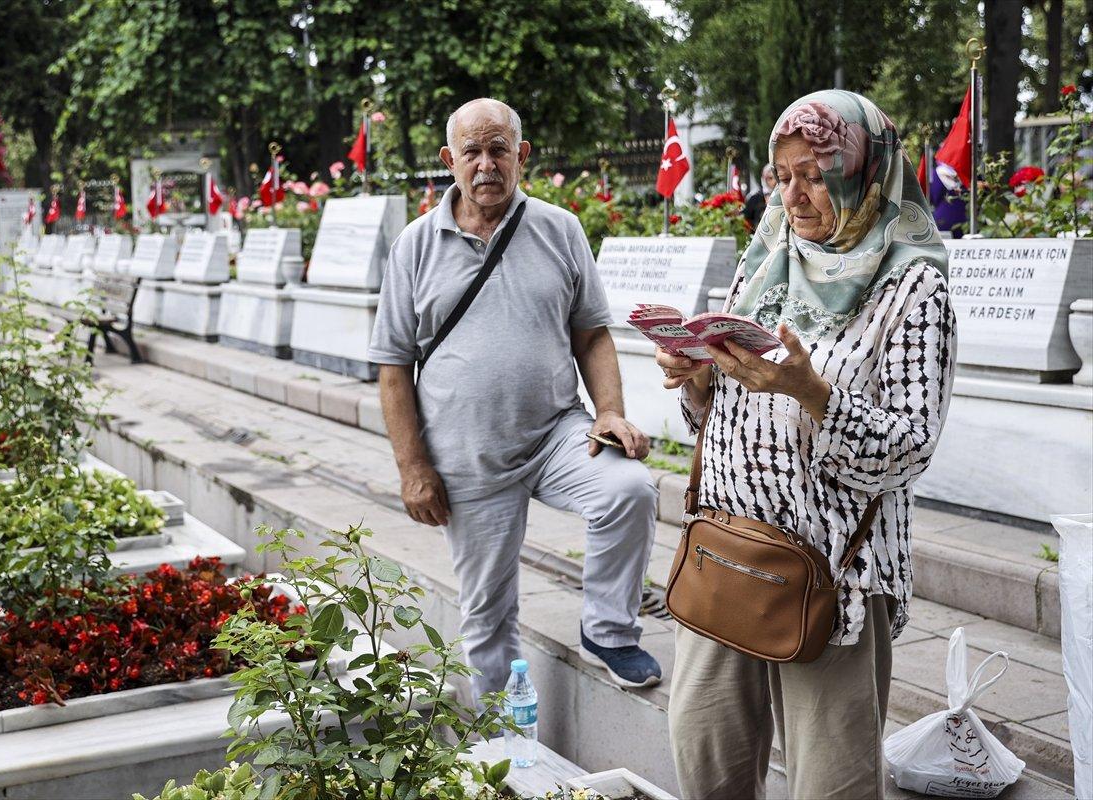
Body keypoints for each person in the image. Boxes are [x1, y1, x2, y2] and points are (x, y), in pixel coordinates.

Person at [659, 90, 956, 799]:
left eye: (817, 174)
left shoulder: (914, 289)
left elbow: (910, 449)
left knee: (831, 785)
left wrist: (811, 393)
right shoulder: (765, 262)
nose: (793, 195)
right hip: (725, 554)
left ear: (867, 172)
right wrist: (696, 382)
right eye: (781, 175)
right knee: (705, 763)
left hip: (835, 581)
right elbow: (716, 420)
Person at [368, 98, 662, 703]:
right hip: (466, 452)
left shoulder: (559, 229)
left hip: (556, 433)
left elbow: (592, 334)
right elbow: (394, 366)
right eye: (471, 152)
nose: (485, 164)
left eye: (498, 149)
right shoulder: (415, 246)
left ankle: (608, 630)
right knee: (487, 615)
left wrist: (609, 411)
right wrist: (412, 467)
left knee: (629, 490)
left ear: (521, 155)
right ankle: (502, 743)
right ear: (449, 160)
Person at [742, 163, 777, 229]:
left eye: (776, 178)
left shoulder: (784, 196)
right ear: (764, 178)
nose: (774, 182)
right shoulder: (755, 197)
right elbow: (746, 218)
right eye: (770, 178)